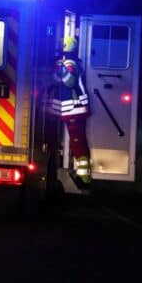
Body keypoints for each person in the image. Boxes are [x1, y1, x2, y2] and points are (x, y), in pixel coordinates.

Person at [48, 35, 91, 188]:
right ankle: (82, 175)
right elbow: (54, 80)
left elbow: (69, 81)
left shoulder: (70, 63)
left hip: (75, 109)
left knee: (77, 143)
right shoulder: (69, 62)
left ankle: (84, 179)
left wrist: (61, 68)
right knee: (77, 142)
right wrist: (58, 69)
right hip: (72, 109)